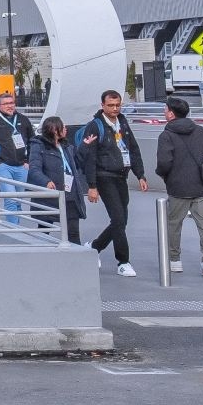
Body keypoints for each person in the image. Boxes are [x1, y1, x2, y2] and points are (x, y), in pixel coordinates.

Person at [78, 90, 148, 275]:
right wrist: (92, 186)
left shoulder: (122, 122)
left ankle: (95, 246)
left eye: (118, 105)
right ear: (102, 105)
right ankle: (123, 261)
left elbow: (133, 148)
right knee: (118, 219)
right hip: (104, 176)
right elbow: (90, 157)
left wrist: (140, 174)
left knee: (121, 221)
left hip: (121, 176)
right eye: (111, 105)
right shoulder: (95, 126)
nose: (115, 108)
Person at [155, 96, 203, 277]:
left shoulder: (166, 135)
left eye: (165, 110)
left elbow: (164, 162)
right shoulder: (200, 131)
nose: (164, 112)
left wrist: (164, 175)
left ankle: (175, 261)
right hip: (200, 186)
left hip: (177, 187)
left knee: (174, 224)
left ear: (171, 114)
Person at [0, 90, 36, 224]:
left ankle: (16, 226)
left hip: (21, 166)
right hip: (3, 167)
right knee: (10, 199)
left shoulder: (23, 119)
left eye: (11, 103)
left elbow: (33, 141)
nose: (9, 106)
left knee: (18, 200)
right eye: (6, 104)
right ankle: (14, 231)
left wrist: (28, 161)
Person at [27, 117, 86, 244]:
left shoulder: (67, 146)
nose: (66, 129)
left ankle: (77, 259)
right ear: (54, 129)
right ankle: (41, 255)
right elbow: (34, 169)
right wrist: (46, 181)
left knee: (73, 232)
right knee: (44, 229)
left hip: (70, 196)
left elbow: (78, 164)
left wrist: (85, 147)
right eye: (62, 126)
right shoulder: (39, 146)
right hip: (49, 196)